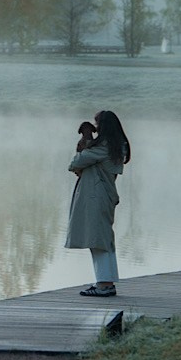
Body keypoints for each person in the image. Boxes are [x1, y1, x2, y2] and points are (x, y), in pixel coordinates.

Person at [65, 109, 131, 296]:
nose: (95, 127)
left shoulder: (104, 147)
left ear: (104, 126)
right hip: (104, 195)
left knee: (98, 241)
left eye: (97, 123)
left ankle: (104, 284)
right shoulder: (117, 145)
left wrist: (85, 145)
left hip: (97, 196)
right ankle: (106, 283)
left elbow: (76, 162)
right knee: (104, 240)